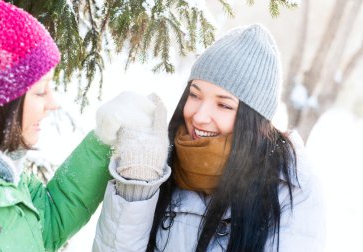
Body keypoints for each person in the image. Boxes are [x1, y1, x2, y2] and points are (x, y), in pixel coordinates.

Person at [93, 24, 326, 252]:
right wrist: (139, 184)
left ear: (255, 118)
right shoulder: (161, 160)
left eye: (224, 105)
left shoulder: (292, 188)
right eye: (194, 95)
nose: (199, 116)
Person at [0, 0, 161, 251]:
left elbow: (48, 221)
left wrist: (103, 140)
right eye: (40, 91)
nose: (53, 102)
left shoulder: (5, 173)